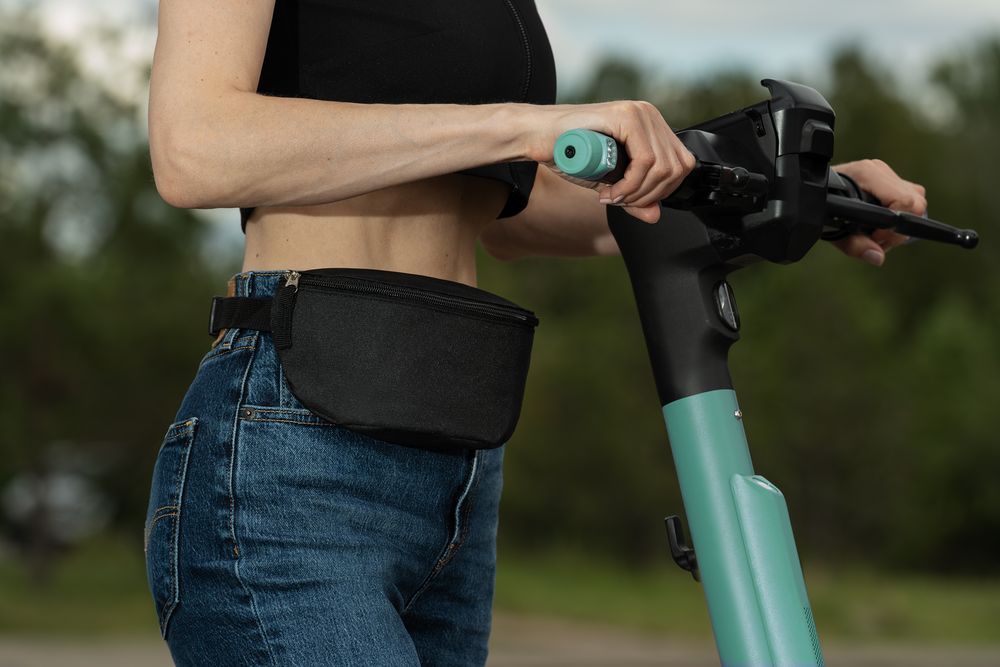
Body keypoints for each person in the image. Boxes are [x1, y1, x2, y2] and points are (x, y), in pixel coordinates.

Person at [143, 1, 926, 665]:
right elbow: (194, 145)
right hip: (295, 444)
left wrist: (783, 195)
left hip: (455, 455)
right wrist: (522, 126)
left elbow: (514, 208)